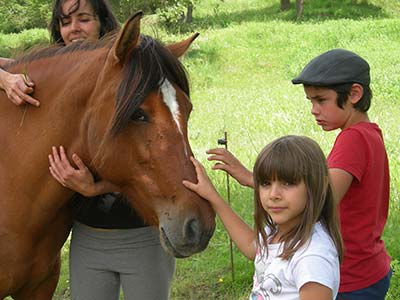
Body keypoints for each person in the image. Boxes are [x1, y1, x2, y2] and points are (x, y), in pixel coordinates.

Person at [1, 1, 175, 300]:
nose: (74, 29)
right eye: (65, 22)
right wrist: (4, 77)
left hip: (133, 234)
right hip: (87, 239)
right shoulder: (53, 74)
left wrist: (95, 187)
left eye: (83, 19)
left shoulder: (130, 76)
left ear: (102, 22)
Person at [207, 49, 392, 300]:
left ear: (354, 94)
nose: (314, 110)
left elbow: (321, 197)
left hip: (349, 277)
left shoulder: (354, 139)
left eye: (321, 100)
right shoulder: (370, 133)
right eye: (310, 101)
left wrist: (252, 178)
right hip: (367, 266)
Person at [183, 135, 343, 300]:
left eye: (288, 183)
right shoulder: (278, 230)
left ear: (319, 184)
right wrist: (212, 196)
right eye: (266, 183)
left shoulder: (312, 257)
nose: (274, 195)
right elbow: (253, 248)